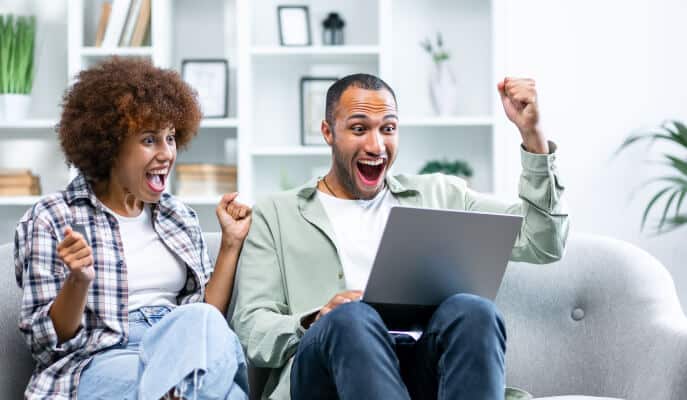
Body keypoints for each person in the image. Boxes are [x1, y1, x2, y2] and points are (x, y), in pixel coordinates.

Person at [232, 73, 569, 399]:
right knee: (350, 318)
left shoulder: (442, 195)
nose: (376, 145)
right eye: (359, 129)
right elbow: (251, 327)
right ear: (328, 132)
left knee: (475, 311)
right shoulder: (276, 214)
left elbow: (543, 242)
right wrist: (314, 319)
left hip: (425, 371)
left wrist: (533, 135)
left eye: (388, 129)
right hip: (328, 374)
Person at [14, 57, 251, 400]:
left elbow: (205, 325)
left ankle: (178, 390)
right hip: (100, 359)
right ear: (110, 145)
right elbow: (47, 342)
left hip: (176, 346)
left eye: (170, 138)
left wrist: (231, 242)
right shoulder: (52, 218)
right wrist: (78, 280)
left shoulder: (178, 216)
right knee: (227, 394)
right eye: (150, 140)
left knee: (202, 323)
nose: (167, 153)